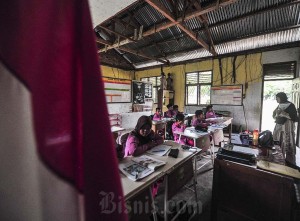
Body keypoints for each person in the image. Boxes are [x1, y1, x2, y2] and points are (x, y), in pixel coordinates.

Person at [272, 92, 298, 165]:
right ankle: (280, 160)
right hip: (279, 127)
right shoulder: (280, 105)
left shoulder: (290, 105)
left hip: (287, 128)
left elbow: (294, 117)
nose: (276, 100)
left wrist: (283, 113)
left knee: (288, 143)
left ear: (282, 98)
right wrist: (276, 114)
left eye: (277, 98)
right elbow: (274, 114)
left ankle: (290, 162)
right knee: (279, 143)